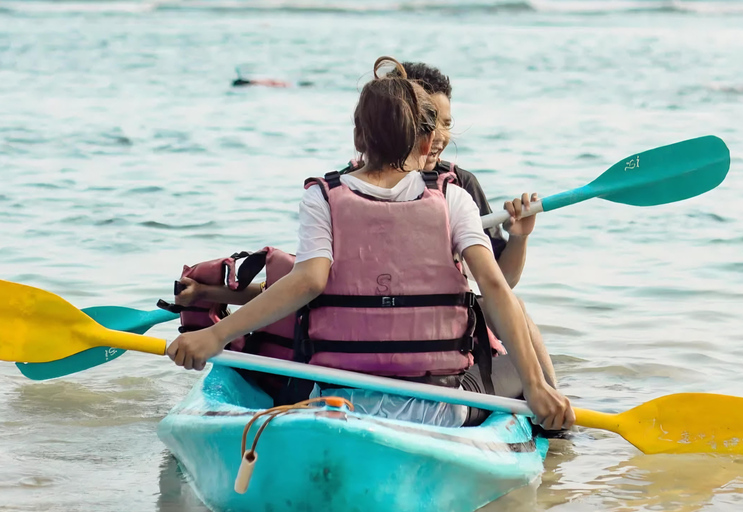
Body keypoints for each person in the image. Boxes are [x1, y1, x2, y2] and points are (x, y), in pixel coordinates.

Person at [168, 56, 574, 432]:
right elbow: (497, 288)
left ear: (360, 137)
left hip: (339, 395)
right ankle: (554, 424)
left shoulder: (323, 196)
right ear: (424, 139)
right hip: (439, 403)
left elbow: (306, 283)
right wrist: (536, 384)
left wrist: (215, 336)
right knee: (516, 357)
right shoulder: (454, 196)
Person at [343, 62, 558, 393]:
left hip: (411, 332)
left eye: (447, 123)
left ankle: (552, 408)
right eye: (430, 123)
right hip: (421, 339)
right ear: (401, 121)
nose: (440, 136)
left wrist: (519, 238)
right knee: (511, 310)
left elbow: (502, 281)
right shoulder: (444, 192)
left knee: (505, 304)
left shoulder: (459, 183)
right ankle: (550, 408)